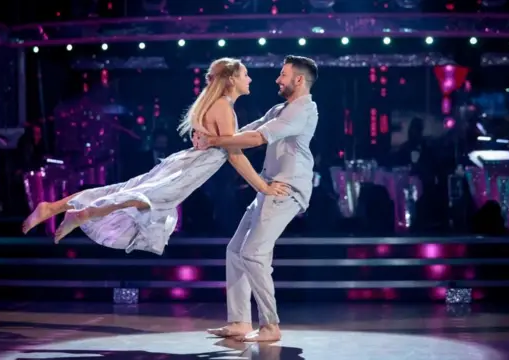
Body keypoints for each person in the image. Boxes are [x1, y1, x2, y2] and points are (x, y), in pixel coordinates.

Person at [21, 57, 289, 250]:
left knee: (130, 191)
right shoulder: (223, 106)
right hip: (190, 169)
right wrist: (262, 187)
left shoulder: (220, 105)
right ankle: (83, 214)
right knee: (146, 200)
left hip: (188, 164)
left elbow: (236, 140)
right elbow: (235, 154)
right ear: (232, 79)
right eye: (245, 74)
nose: (250, 78)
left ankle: (55, 207)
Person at [194, 55, 319, 342]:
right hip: (269, 187)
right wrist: (208, 136)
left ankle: (270, 326)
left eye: (283, 74)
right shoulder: (280, 108)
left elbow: (256, 139)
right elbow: (243, 133)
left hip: (286, 190)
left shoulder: (302, 111)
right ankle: (239, 321)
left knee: (253, 253)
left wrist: (214, 141)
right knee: (235, 251)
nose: (278, 79)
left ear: (299, 80)